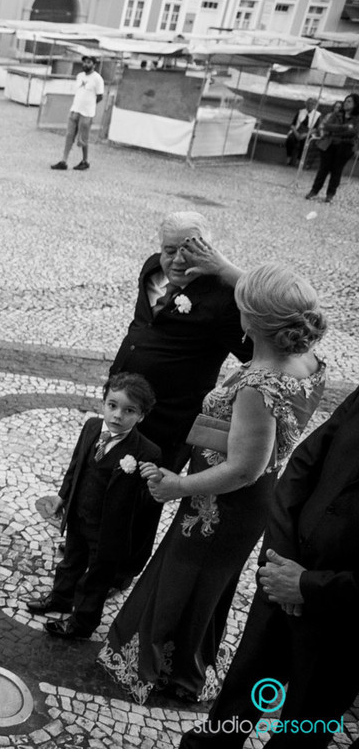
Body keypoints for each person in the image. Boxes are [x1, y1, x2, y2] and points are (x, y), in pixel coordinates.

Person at [99, 263, 327, 704]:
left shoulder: (259, 385)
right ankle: (181, 657)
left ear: (250, 321)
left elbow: (245, 467)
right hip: (247, 495)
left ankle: (170, 668)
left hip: (224, 499)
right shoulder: (305, 357)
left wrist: (177, 486)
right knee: (202, 577)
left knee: (190, 575)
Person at [178, 383, 359, 749]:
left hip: (344, 620)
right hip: (281, 578)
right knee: (243, 692)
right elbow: (303, 465)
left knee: (304, 725)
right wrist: (280, 561)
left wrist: (308, 586)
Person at [108, 212, 253, 586]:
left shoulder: (223, 301)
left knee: (143, 497)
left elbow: (265, 334)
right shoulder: (151, 270)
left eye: (189, 251)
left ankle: (122, 571)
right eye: (169, 250)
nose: (176, 260)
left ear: (209, 252)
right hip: (123, 407)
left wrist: (227, 272)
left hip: (167, 421)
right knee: (110, 479)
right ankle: (97, 546)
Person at [27, 373, 161, 640]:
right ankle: (60, 599)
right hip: (79, 515)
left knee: (97, 578)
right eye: (112, 405)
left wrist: (155, 479)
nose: (117, 415)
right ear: (104, 403)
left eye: (129, 410)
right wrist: (62, 497)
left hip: (109, 529)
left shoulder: (147, 452)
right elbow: (76, 466)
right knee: (71, 562)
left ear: (142, 416)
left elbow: (144, 503)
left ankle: (82, 623)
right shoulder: (91, 427)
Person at [51, 55, 104, 171]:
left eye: (89, 62)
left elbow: (100, 96)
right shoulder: (79, 76)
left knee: (83, 139)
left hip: (86, 113)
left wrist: (90, 105)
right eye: (84, 62)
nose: (85, 64)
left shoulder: (97, 79)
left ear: (94, 65)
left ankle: (85, 161)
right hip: (75, 109)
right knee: (69, 136)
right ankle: (64, 161)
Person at [304, 92, 358, 205]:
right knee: (323, 169)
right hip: (329, 144)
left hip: (345, 147)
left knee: (336, 171)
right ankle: (314, 190)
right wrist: (344, 128)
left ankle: (330, 194)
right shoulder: (336, 115)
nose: (345, 103)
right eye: (345, 101)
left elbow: (352, 132)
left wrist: (336, 130)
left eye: (349, 101)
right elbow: (325, 126)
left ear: (356, 104)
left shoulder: (356, 119)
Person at [285, 96, 320, 167]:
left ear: (315, 105)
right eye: (309, 103)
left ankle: (299, 160)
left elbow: (316, 128)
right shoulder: (301, 111)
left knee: (305, 142)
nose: (310, 105)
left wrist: (305, 134)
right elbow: (293, 124)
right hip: (297, 130)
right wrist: (296, 133)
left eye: (312, 104)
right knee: (290, 139)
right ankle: (289, 158)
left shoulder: (317, 115)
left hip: (308, 132)